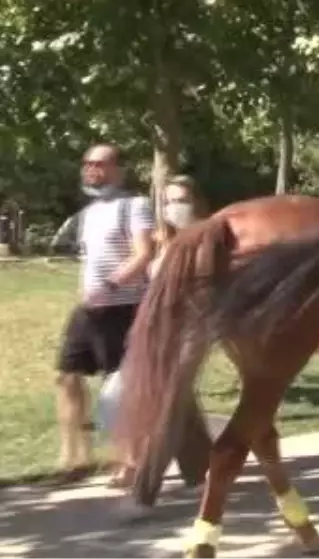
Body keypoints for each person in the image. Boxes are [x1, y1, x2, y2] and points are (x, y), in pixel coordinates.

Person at [102, 174, 212, 490]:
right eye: (167, 201)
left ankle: (143, 481)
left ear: (196, 203)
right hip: (154, 328)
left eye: (181, 201)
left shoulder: (207, 238)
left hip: (190, 329)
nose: (172, 208)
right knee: (148, 396)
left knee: (163, 399)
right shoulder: (163, 240)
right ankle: (200, 462)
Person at [54, 144, 155, 482]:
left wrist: (110, 286)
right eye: (87, 164)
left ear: (120, 169)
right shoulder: (90, 212)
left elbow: (144, 253)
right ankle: (75, 457)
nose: (91, 170)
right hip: (89, 309)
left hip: (123, 306)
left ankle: (128, 461)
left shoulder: (135, 206)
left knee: (120, 386)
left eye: (100, 164)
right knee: (67, 376)